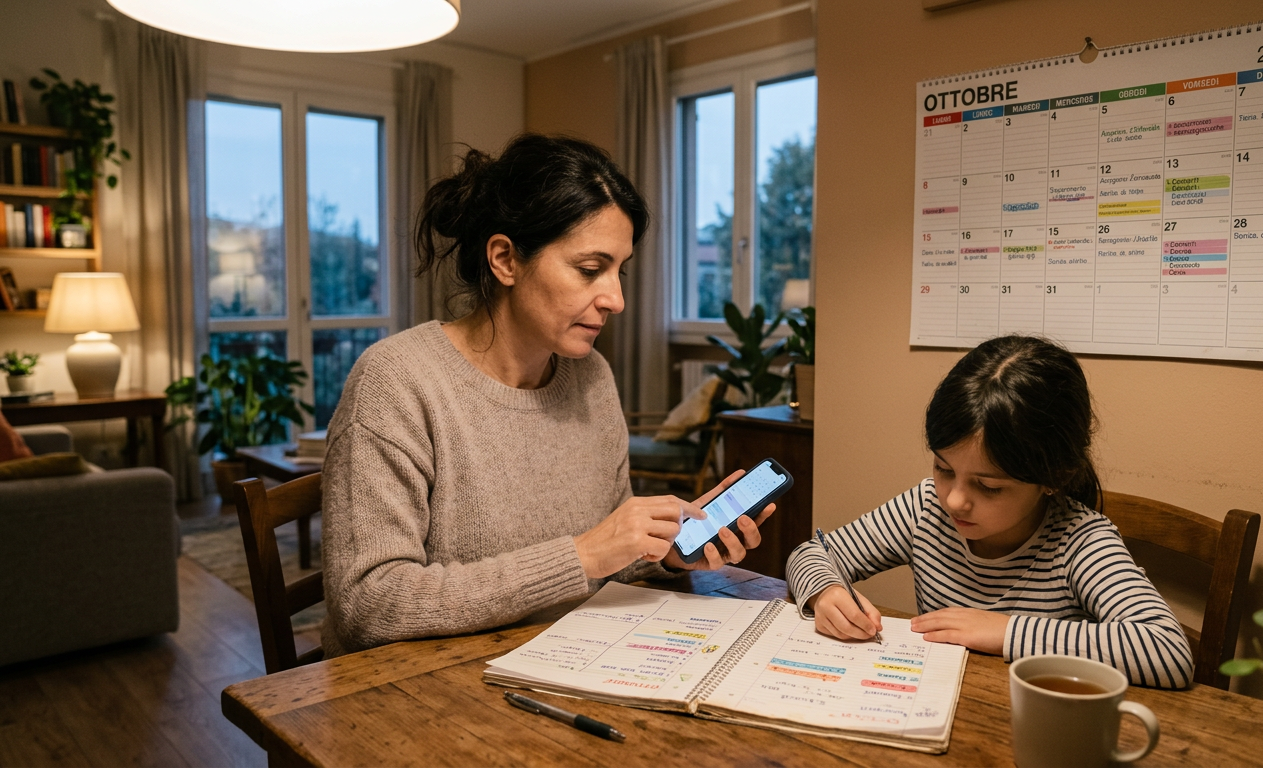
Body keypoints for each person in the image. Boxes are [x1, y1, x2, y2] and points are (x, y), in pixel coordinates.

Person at [320, 134, 772, 657]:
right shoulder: (396, 382)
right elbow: (367, 605)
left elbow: (610, 557)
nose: (617, 299)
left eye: (619, 271)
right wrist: (580, 557)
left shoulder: (591, 379)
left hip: (569, 661)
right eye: (589, 270)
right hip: (421, 694)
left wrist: (667, 553)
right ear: (505, 259)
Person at [787, 336, 1194, 689]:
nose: (955, 500)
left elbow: (1167, 650)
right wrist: (827, 591)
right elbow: (811, 553)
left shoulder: (1080, 541)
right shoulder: (925, 508)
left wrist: (1006, 631)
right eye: (944, 469)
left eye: (989, 486)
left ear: (1053, 477)